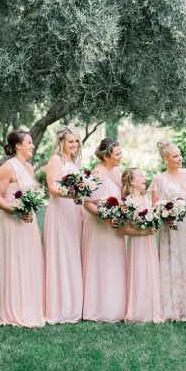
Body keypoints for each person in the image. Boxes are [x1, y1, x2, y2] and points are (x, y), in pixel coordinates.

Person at [0, 130, 45, 328]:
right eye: (29, 142)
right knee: (15, 261)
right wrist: (15, 209)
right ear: (17, 146)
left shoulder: (29, 169)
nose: (32, 145)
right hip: (12, 221)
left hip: (28, 222)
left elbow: (32, 194)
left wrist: (31, 206)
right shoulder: (7, 168)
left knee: (29, 261)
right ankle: (12, 309)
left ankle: (28, 306)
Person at [82, 138, 127, 322]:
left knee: (115, 264)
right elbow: (88, 204)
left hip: (115, 226)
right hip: (100, 226)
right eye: (117, 154)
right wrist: (106, 217)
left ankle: (116, 307)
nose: (120, 156)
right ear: (107, 155)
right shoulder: (96, 174)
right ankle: (98, 308)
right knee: (101, 265)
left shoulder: (117, 171)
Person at [150, 139, 186, 321]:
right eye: (175, 156)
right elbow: (155, 207)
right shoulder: (158, 180)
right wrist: (165, 214)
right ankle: (173, 307)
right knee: (172, 264)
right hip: (171, 229)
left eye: (180, 155)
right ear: (166, 160)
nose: (180, 158)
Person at [43, 126, 83, 324]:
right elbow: (52, 187)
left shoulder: (74, 161)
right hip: (59, 210)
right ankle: (59, 306)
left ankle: (73, 304)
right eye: (70, 141)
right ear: (61, 142)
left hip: (73, 210)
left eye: (76, 141)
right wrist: (72, 194)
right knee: (61, 253)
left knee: (72, 253)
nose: (74, 144)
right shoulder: (55, 160)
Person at [123, 167, 163, 323]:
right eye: (140, 176)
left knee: (151, 271)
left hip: (150, 242)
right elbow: (124, 229)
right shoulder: (128, 203)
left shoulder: (147, 199)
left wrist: (153, 226)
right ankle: (139, 310)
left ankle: (152, 309)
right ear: (132, 181)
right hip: (137, 243)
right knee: (139, 272)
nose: (144, 177)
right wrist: (142, 232)